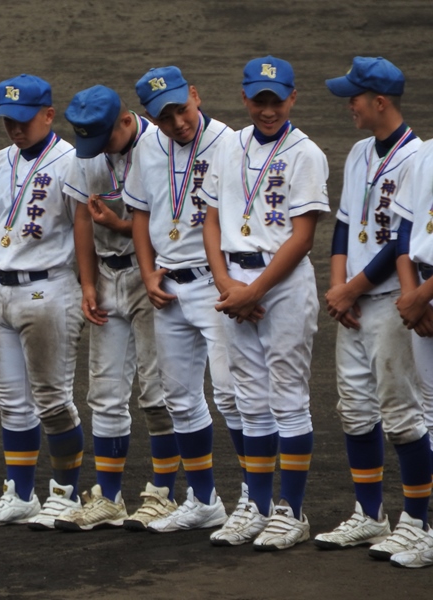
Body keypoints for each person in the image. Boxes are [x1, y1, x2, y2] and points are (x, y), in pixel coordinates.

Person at [200, 56, 330, 550]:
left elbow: (303, 237)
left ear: (292, 98)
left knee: (288, 398)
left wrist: (254, 291)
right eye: (259, 100)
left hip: (284, 283)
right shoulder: (228, 145)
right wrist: (226, 284)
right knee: (250, 400)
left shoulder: (306, 154)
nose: (268, 110)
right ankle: (256, 506)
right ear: (245, 98)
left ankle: (291, 512)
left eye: (276, 101)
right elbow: (211, 219)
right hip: (233, 280)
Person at [313, 56, 432, 568]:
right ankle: (369, 514)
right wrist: (338, 285)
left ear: (379, 101)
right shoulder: (361, 151)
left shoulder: (416, 158)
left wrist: (353, 289)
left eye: (355, 98)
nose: (349, 105)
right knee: (356, 411)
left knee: (401, 415)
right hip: (355, 304)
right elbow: (344, 225)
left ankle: (416, 521)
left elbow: (402, 239)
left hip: (390, 304)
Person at [122, 67, 250, 536]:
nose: (177, 122)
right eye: (164, 116)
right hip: (170, 287)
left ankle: (254, 501)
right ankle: (203, 500)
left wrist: (233, 282)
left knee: (233, 395)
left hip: (217, 284)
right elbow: (140, 214)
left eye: (182, 109)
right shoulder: (147, 148)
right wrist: (147, 270)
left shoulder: (230, 143)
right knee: (179, 398)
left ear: (195, 95)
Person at [52, 83, 180, 532]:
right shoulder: (88, 154)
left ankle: (164, 494)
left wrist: (121, 226)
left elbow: (169, 225)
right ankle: (108, 497)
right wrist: (88, 283)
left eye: (105, 138)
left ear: (126, 121)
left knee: (157, 392)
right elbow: (82, 219)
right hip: (108, 278)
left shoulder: (162, 149)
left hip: (154, 278)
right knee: (104, 393)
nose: (98, 149)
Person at [0, 74, 83, 529]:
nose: (15, 129)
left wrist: (87, 290)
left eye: (24, 120)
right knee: (12, 403)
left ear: (49, 115)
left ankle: (66, 495)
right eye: (8, 121)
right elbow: (2, 223)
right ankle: (19, 494)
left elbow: (83, 233)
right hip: (0, 290)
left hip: (49, 290)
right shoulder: (0, 161)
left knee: (52, 400)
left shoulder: (73, 163)